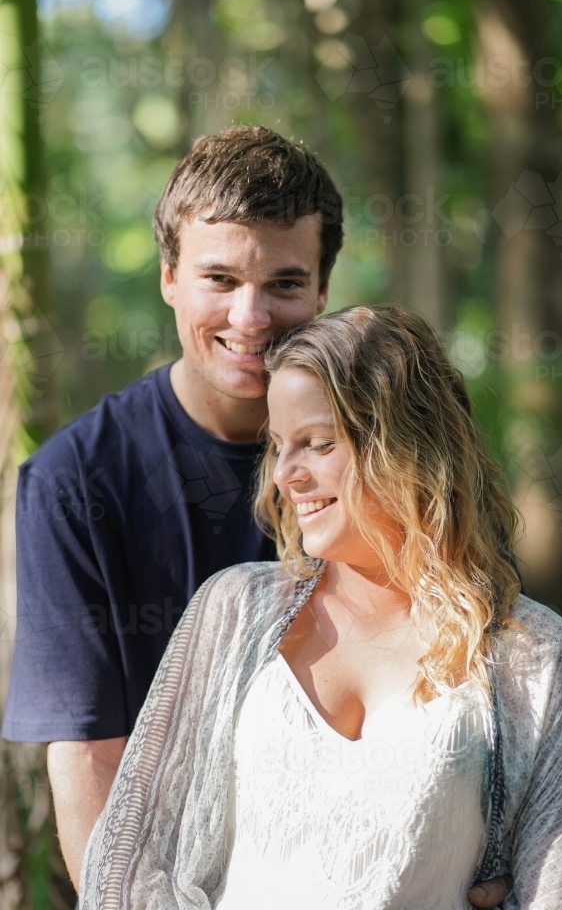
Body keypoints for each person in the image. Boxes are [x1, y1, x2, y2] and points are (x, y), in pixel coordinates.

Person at [3, 125, 509, 908]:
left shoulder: (396, 462)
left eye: (283, 282)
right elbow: (89, 753)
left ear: (321, 289)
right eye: (218, 278)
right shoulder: (76, 481)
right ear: (169, 277)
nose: (250, 317)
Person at [80, 305, 560, 910]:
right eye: (279, 445)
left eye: (316, 444)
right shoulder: (232, 610)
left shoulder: (532, 655)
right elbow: (129, 861)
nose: (285, 474)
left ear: (409, 446)